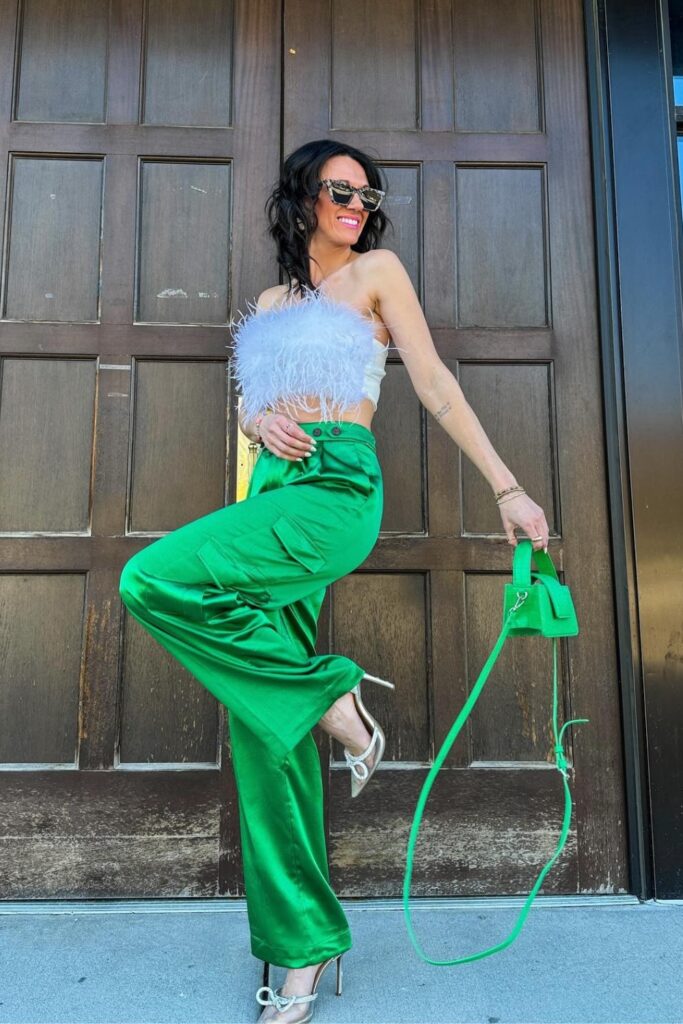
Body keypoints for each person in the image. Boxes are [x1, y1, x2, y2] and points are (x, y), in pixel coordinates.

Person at [119, 138, 549, 1023]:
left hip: (333, 491)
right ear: (302, 198)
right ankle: (303, 947)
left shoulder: (378, 272)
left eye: (366, 192)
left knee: (148, 578)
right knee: (261, 738)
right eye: (338, 189)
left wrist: (506, 487)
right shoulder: (272, 302)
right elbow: (253, 409)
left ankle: (332, 693)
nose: (356, 202)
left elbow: (430, 382)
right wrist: (255, 415)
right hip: (268, 489)